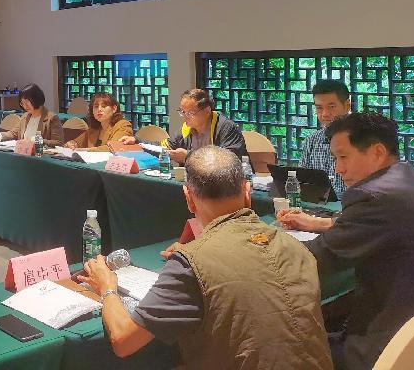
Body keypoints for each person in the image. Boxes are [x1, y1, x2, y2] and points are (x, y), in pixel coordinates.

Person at [79, 145, 331, 369]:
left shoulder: (191, 262)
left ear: (189, 199)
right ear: (247, 191)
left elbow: (123, 341)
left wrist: (107, 287)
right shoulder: (297, 248)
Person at [278, 113, 414, 369]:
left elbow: (312, 259)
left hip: (387, 341)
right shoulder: (410, 179)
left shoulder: (373, 197)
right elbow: (379, 226)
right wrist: (320, 223)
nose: (338, 169)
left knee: (277, 344)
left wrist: (258, 244)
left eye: (343, 157)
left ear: (377, 152)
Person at [122, 89, 246, 165]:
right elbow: (165, 147)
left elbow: (229, 160)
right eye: (182, 112)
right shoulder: (186, 128)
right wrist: (137, 141)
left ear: (207, 111)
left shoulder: (225, 127)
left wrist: (189, 156)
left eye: (190, 113)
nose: (185, 117)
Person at [299, 79, 350, 197]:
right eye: (319, 108)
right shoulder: (311, 141)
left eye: (331, 107)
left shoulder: (362, 140)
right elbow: (301, 181)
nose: (325, 114)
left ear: (347, 106)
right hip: (318, 205)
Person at [64, 92, 133, 152]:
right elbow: (77, 142)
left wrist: (83, 150)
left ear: (114, 109)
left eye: (104, 106)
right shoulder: (94, 128)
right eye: (96, 107)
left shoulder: (123, 125)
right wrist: (72, 144)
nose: (99, 109)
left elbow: (113, 148)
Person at [0, 83, 64, 146]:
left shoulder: (52, 118)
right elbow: (13, 133)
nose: (25, 106)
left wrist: (39, 141)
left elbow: (59, 143)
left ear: (36, 99)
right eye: (22, 103)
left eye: (27, 102)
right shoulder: (25, 116)